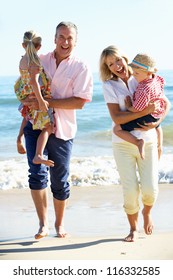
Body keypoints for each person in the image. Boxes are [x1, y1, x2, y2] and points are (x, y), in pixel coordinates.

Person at [22, 22, 93, 239]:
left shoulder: (81, 67)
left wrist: (46, 102)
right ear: (54, 39)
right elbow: (25, 81)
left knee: (60, 180)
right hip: (36, 125)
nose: (65, 42)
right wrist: (28, 99)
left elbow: (80, 102)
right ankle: (42, 225)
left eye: (70, 38)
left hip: (63, 130)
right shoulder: (41, 60)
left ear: (76, 41)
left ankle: (59, 224)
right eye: (61, 37)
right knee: (36, 174)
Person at [99, 45, 170, 242]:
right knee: (130, 190)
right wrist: (145, 112)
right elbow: (117, 118)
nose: (116, 66)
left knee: (150, 189)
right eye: (110, 64)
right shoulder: (109, 86)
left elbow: (166, 103)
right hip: (123, 144)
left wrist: (157, 121)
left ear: (125, 58)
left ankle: (147, 212)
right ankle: (133, 228)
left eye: (118, 60)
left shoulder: (141, 76)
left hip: (148, 141)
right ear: (108, 68)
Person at [114, 53, 165, 160]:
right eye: (133, 72)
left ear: (149, 73)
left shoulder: (143, 89)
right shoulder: (157, 79)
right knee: (157, 126)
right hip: (157, 113)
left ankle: (138, 142)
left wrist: (128, 106)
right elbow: (162, 85)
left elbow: (137, 109)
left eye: (136, 73)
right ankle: (159, 146)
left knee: (117, 129)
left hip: (148, 116)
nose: (134, 75)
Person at [15, 30, 54, 167]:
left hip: (26, 93)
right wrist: (41, 101)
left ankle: (19, 138)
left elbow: (25, 79)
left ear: (23, 45)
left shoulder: (23, 60)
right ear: (39, 47)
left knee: (28, 116)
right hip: (35, 94)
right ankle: (38, 155)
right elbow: (34, 82)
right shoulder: (34, 61)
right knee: (49, 127)